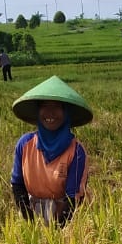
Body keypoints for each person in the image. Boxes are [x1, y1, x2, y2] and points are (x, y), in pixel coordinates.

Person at [10, 75, 91, 225]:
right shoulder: (24, 144)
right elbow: (17, 184)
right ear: (38, 111)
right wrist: (30, 222)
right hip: (31, 214)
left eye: (57, 107)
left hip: (65, 218)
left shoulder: (76, 152)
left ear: (66, 113)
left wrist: (56, 234)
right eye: (45, 106)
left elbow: (72, 199)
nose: (50, 113)